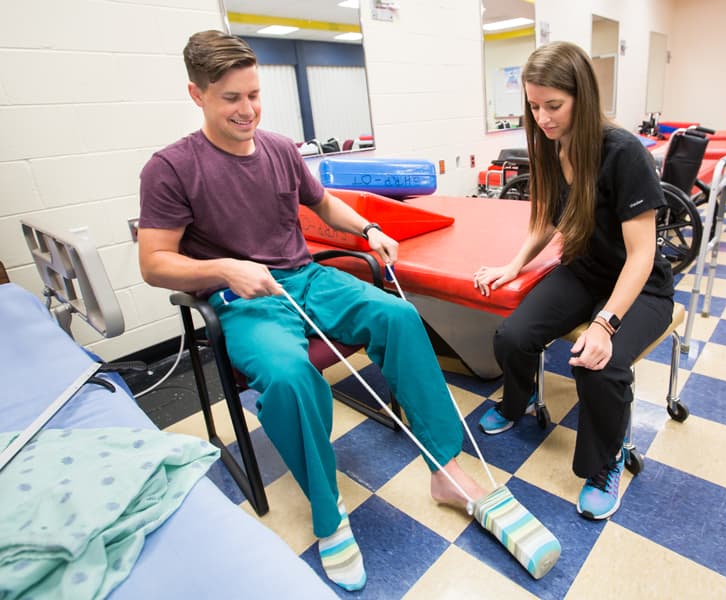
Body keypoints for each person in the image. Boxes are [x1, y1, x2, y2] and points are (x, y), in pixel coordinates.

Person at [138, 30, 559, 591]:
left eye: (255, 95)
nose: (248, 110)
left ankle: (446, 468)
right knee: (290, 377)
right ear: (197, 95)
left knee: (400, 318)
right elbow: (155, 262)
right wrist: (225, 269)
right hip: (244, 299)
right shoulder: (170, 167)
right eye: (231, 99)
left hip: (308, 277)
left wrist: (367, 228)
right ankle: (327, 509)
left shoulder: (281, 149)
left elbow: (321, 203)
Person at [473, 41, 674, 521]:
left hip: (640, 284)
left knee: (597, 366)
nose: (542, 117)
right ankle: (517, 402)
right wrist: (514, 265)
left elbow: (643, 254)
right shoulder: (548, 143)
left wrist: (605, 324)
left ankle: (605, 463)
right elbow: (548, 217)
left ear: (582, 96)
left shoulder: (622, 152)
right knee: (512, 336)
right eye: (534, 106)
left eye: (554, 106)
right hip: (584, 271)